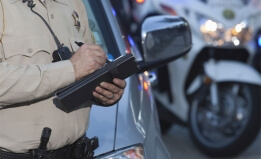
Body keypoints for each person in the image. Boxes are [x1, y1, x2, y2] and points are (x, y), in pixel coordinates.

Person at [0, 0, 126, 158]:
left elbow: (89, 67)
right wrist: (71, 69)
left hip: (78, 151)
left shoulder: (74, 4)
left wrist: (105, 91)